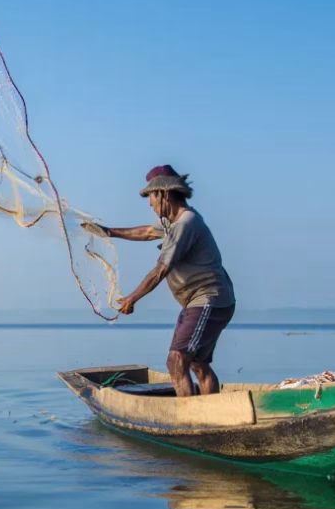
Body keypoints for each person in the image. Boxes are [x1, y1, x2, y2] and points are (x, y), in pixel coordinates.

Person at [88, 165, 236, 397]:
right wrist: (109, 232)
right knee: (196, 363)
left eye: (151, 197)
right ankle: (209, 409)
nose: (150, 204)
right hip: (206, 302)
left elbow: (161, 270)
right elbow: (146, 232)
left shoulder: (185, 224)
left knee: (177, 360)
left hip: (208, 299)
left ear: (164, 194)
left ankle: (190, 419)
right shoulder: (172, 222)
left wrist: (132, 298)